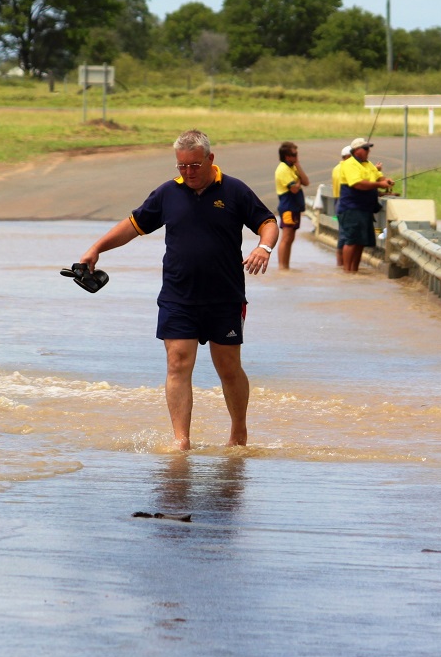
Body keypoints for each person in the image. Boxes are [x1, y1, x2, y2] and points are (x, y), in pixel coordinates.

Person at [78, 130, 278, 451]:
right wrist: (97, 248)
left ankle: (238, 433)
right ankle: (181, 441)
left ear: (210, 159)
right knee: (177, 363)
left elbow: (268, 222)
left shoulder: (235, 190)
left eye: (194, 165)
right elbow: (133, 225)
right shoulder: (168, 193)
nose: (188, 172)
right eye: (182, 166)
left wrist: (264, 248)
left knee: (228, 367)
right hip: (178, 297)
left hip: (224, 297)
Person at [335, 137, 395, 274]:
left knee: (360, 241)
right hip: (351, 208)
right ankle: (347, 272)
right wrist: (380, 185)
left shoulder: (368, 164)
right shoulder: (349, 164)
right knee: (351, 240)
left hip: (365, 209)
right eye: (366, 148)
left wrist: (386, 180)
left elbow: (379, 176)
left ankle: (354, 271)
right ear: (357, 151)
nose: (369, 151)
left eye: (369, 148)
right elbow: (357, 184)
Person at [273, 142, 309, 270]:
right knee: (286, 237)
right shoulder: (283, 169)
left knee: (291, 237)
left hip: (295, 207)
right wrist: (298, 182)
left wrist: (298, 165)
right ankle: (282, 266)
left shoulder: (293, 167)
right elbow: (294, 189)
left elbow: (306, 182)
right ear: (287, 156)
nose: (296, 157)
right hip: (288, 206)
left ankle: (286, 266)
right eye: (294, 154)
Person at [328, 144, 352, 268]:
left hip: (338, 202)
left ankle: (340, 265)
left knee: (343, 234)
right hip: (344, 202)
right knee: (345, 235)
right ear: (347, 156)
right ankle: (342, 265)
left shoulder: (336, 168)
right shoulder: (345, 169)